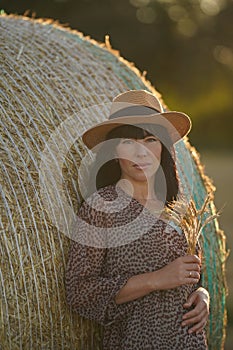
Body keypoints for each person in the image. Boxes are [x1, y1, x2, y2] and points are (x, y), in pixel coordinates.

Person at [65, 90, 210, 349]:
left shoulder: (181, 209)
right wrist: (156, 279)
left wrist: (203, 296)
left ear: (163, 148)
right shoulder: (101, 207)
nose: (140, 152)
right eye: (128, 141)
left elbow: (194, 277)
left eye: (150, 140)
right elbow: (80, 292)